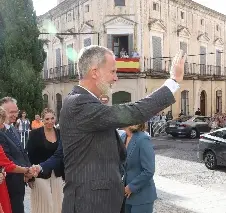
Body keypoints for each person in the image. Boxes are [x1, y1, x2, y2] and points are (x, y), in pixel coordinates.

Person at [59, 45, 185, 213]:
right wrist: (173, 82)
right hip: (90, 204)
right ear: (94, 72)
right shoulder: (78, 103)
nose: (116, 78)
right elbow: (132, 112)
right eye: (112, 71)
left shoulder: (86, 103)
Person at [27, 108, 64, 213]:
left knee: (58, 204)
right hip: (39, 173)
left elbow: (62, 154)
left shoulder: (60, 133)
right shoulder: (34, 134)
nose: (50, 121)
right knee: (44, 204)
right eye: (47, 119)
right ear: (42, 120)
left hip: (57, 174)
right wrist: (30, 177)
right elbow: (29, 155)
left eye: (52, 118)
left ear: (55, 118)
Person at [0, 97, 32, 213]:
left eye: (16, 111)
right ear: (3, 112)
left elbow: (22, 152)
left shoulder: (13, 129)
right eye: (11, 112)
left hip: (20, 180)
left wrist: (29, 173)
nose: (15, 115)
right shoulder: (0, 132)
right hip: (8, 183)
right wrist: (26, 170)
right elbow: (7, 159)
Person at [120, 123, 157, 213]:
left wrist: (131, 187)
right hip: (125, 196)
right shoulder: (123, 137)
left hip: (142, 197)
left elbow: (149, 170)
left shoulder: (143, 139)